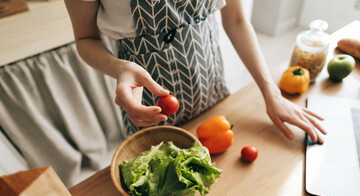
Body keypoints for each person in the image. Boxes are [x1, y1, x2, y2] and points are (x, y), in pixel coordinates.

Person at [64, 0, 326, 143]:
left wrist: (272, 94)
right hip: (148, 106)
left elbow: (236, 18)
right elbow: (85, 38)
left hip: (211, 87)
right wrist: (120, 67)